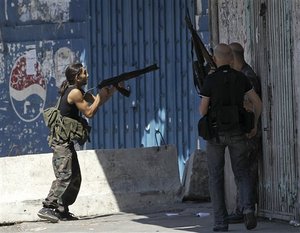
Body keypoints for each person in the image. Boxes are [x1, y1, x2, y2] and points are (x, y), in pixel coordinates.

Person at [38, 63, 118, 223]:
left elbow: (96, 102)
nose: (87, 75)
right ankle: (47, 207)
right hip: (61, 142)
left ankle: (61, 209)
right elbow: (89, 112)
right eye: (84, 73)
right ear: (77, 77)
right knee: (65, 176)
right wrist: (101, 96)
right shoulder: (74, 92)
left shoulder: (78, 91)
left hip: (66, 142)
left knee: (75, 177)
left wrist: (113, 89)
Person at [199, 44, 262, 231]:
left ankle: (220, 222)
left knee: (215, 177)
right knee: (242, 172)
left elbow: (203, 111)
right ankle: (248, 209)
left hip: (216, 135)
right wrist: (254, 124)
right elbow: (257, 103)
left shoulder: (210, 80)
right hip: (238, 133)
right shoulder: (241, 77)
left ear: (216, 59)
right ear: (231, 59)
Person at [227, 42, 262, 223]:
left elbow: (252, 105)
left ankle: (245, 209)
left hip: (250, 133)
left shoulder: (247, 77)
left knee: (245, 172)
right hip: (245, 132)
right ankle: (244, 208)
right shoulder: (241, 75)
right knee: (242, 171)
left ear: (233, 58)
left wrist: (252, 127)